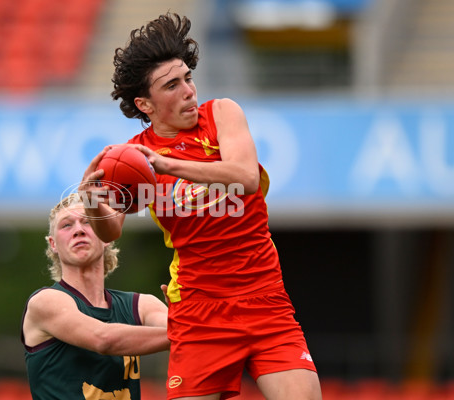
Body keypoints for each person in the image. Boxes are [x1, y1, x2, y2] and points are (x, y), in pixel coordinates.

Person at [80, 12, 323, 400]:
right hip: (199, 311)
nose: (189, 91)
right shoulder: (134, 158)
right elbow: (111, 231)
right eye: (172, 85)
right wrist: (92, 202)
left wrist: (167, 164)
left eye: (188, 78)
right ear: (145, 103)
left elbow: (244, 176)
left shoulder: (222, 114)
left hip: (264, 298)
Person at [21, 193, 169, 400]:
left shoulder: (142, 305)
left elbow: (192, 334)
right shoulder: (45, 302)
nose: (78, 230)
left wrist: (188, 313)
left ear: (106, 235)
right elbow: (104, 339)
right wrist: (185, 327)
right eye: (66, 225)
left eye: (88, 222)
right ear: (53, 244)